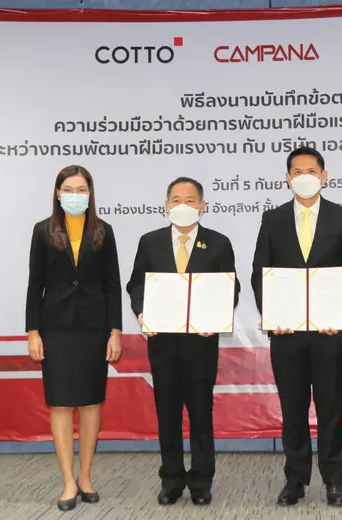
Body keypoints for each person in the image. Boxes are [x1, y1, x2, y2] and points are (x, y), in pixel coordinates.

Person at [251, 147, 342, 508]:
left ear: (323, 176)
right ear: (288, 178)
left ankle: (334, 481)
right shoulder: (273, 219)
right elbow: (260, 273)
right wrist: (273, 315)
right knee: (293, 409)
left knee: (330, 408)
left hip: (329, 334)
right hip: (286, 335)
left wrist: (340, 314)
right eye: (298, 171)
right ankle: (295, 480)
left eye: (311, 171)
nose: (305, 177)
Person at [126, 177, 240, 507]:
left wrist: (216, 319)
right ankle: (171, 480)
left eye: (190, 200)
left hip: (201, 345)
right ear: (166, 205)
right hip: (163, 344)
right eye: (176, 200)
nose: (183, 206)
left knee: (201, 414)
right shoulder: (150, 242)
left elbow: (230, 288)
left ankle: (202, 482)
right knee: (168, 414)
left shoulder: (218, 243)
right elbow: (136, 285)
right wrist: (143, 313)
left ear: (202, 206)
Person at [25, 165, 123, 512]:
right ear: (57, 193)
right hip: (56, 330)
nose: (75, 195)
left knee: (91, 403)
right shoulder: (42, 231)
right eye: (68, 189)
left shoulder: (104, 231)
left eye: (81, 190)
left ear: (90, 193)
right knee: (61, 404)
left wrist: (115, 331)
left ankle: (85, 476)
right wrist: (33, 332)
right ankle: (67, 480)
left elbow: (113, 285)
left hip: (94, 330)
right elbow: (35, 284)